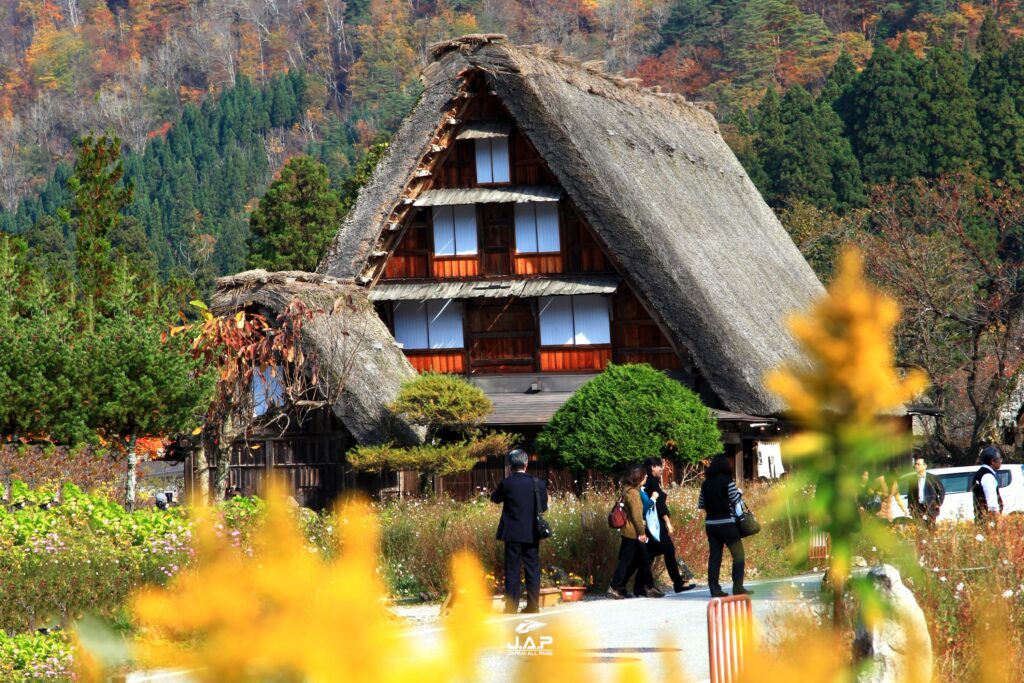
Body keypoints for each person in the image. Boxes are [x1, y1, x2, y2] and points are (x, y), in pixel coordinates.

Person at [490, 448, 548, 613]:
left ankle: (511, 606)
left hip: (512, 533)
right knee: (532, 568)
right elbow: (543, 507)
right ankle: (533, 605)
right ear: (526, 464)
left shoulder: (507, 483)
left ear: (511, 466)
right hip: (532, 531)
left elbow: (495, 498)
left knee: (512, 570)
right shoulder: (538, 483)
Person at [642, 457, 697, 593]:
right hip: (656, 523)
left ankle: (640, 585)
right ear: (653, 467)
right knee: (668, 550)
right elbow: (659, 505)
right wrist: (667, 522)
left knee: (649, 554)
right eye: (660, 466)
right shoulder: (652, 482)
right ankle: (677, 583)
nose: (662, 469)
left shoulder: (647, 482)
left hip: (649, 523)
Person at [698, 454, 749, 597]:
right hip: (727, 523)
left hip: (711, 524)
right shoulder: (728, 481)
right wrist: (740, 493)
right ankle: (738, 587)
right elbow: (734, 499)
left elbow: (701, 504)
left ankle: (714, 589)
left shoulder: (705, 484)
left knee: (715, 557)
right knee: (738, 554)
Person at [608, 464, 659, 599]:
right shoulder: (633, 494)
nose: (647, 476)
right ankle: (616, 587)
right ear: (639, 477)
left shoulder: (628, 490)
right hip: (632, 532)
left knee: (638, 560)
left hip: (630, 532)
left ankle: (625, 587)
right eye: (644, 475)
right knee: (629, 561)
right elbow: (636, 515)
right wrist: (642, 533)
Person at [906, 457, 945, 527]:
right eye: (915, 464)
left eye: (918, 464)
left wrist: (938, 503)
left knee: (931, 527)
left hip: (930, 506)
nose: (916, 466)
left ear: (925, 466)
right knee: (919, 527)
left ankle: (931, 537)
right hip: (918, 506)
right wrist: (910, 506)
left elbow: (941, 491)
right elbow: (910, 493)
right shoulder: (913, 479)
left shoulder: (932, 478)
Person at [973, 446, 1003, 524]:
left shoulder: (980, 473)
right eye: (1000, 458)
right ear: (993, 461)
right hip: (989, 522)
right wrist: (999, 523)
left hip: (981, 520)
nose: (1001, 461)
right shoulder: (987, 476)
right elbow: (992, 504)